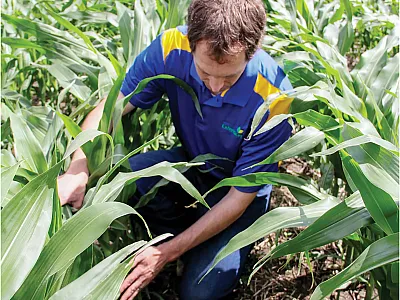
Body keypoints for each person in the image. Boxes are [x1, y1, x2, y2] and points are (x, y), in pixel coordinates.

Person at [57, 0, 293, 299]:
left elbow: (238, 198)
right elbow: (111, 110)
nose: (216, 87)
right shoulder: (171, 47)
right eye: (205, 74)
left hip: (239, 197)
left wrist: (166, 253)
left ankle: (197, 245)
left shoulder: (275, 99)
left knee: (199, 293)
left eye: (230, 78)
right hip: (191, 168)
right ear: (191, 43)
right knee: (121, 181)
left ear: (253, 51)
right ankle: (178, 230)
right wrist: (78, 167)